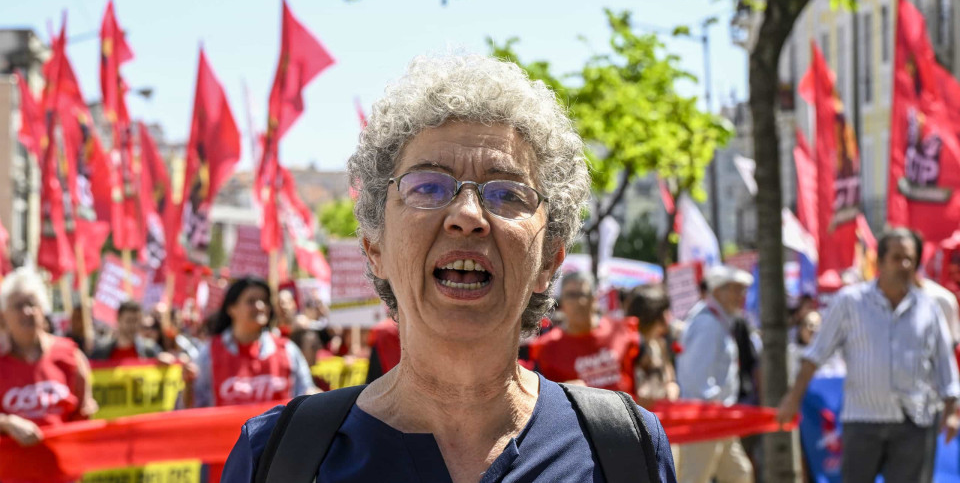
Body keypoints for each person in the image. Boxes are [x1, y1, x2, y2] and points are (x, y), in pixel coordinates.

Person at [222, 53, 676, 482]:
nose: (468, 215)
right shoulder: (279, 456)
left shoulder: (623, 448)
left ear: (549, 259)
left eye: (508, 193)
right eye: (427, 186)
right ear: (374, 247)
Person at [777, 228, 960, 483]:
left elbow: (944, 362)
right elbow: (816, 354)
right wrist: (793, 398)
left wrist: (952, 409)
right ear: (881, 262)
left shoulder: (929, 308)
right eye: (897, 258)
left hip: (915, 423)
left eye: (910, 259)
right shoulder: (850, 303)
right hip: (863, 421)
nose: (905, 265)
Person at [181, 276, 315, 408]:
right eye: (251, 301)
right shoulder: (210, 353)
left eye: (264, 301)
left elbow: (305, 392)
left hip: (278, 431)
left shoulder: (287, 350)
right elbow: (192, 407)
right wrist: (188, 385)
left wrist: (318, 398)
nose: (260, 306)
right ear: (231, 308)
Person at [0, 268, 97, 448]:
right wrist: (6, 423)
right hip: (10, 472)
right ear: (4, 316)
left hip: (61, 470)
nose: (27, 311)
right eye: (18, 305)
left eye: (32, 303)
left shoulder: (70, 355)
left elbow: (84, 412)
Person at [675, 265, 754, 483]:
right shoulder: (707, 324)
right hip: (705, 418)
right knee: (695, 478)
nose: (742, 296)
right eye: (736, 289)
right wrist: (714, 409)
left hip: (717, 417)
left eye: (743, 290)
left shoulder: (715, 320)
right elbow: (696, 378)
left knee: (739, 474)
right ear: (718, 291)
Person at [529, 271, 641, 396]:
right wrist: (562, 391)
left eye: (584, 294)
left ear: (594, 299)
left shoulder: (622, 330)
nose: (580, 302)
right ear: (562, 302)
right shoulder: (546, 348)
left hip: (625, 412)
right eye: (572, 295)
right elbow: (539, 397)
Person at [624, 283, 679, 407]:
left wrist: (671, 388)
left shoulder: (659, 343)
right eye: (666, 312)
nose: (669, 318)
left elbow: (670, 380)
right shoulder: (628, 348)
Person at [90, 300, 165, 362]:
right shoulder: (101, 351)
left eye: (136, 320)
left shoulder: (150, 349)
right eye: (129, 320)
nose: (133, 325)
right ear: (119, 319)